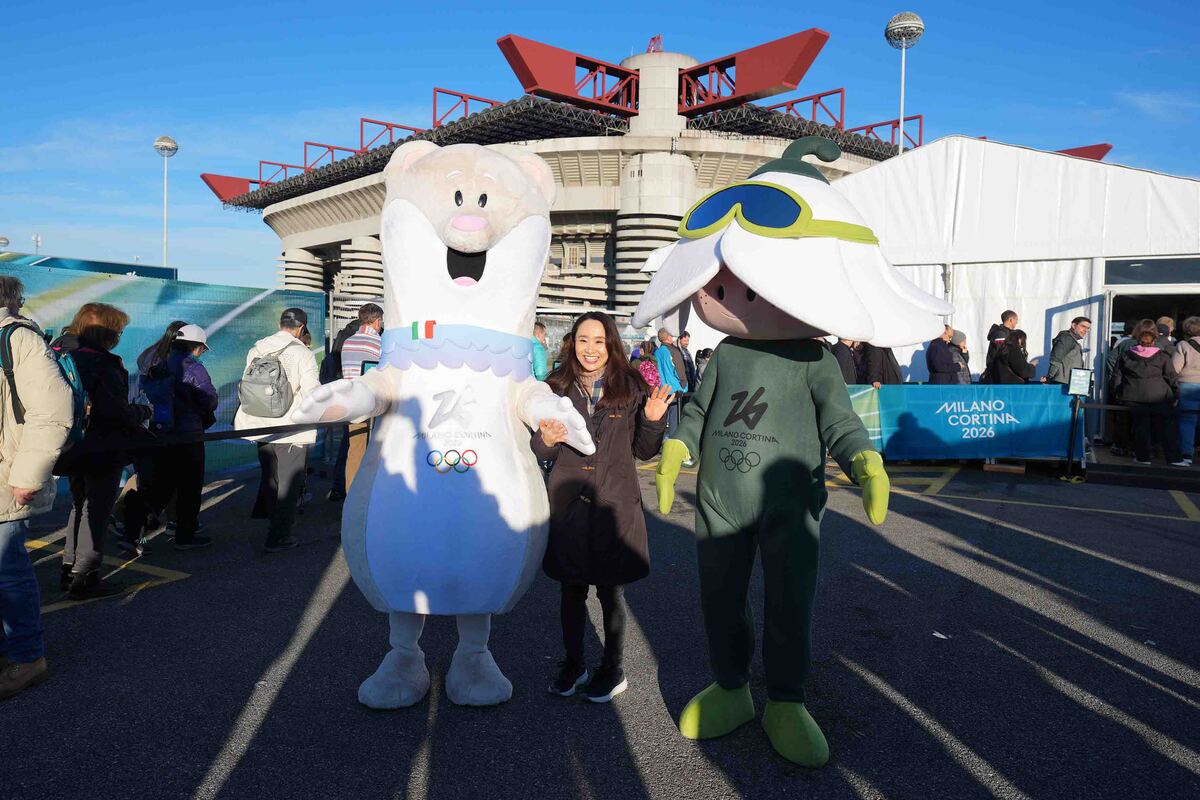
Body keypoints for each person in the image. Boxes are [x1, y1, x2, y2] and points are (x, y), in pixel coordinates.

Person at [533, 312, 670, 702]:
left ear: (611, 343)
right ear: (571, 343)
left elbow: (644, 450)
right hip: (570, 502)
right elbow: (542, 449)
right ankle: (573, 664)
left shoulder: (630, 387)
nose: (590, 349)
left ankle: (613, 668)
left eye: (598, 341)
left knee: (611, 591)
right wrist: (545, 439)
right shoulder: (554, 386)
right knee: (571, 589)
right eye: (582, 340)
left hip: (614, 503)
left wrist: (653, 421)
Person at [0, 276, 73, 701]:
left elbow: (52, 410)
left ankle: (28, 659)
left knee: (8, 572)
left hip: (8, 475)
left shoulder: (17, 338)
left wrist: (28, 476)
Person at [56, 303, 152, 599]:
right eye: (118, 330)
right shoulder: (103, 363)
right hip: (102, 445)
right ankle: (84, 577)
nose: (120, 336)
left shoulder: (59, 352)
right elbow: (114, 411)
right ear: (107, 332)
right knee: (96, 510)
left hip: (68, 443)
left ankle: (69, 567)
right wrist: (142, 412)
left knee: (79, 504)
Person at [235, 308, 320, 553]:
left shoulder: (257, 349)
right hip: (291, 427)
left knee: (271, 478)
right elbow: (312, 391)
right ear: (301, 328)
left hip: (259, 424)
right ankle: (279, 535)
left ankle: (274, 521)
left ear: (279, 323)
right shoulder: (302, 353)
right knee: (290, 483)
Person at [143, 324, 218, 550]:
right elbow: (209, 399)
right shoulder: (193, 368)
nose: (202, 353)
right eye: (202, 348)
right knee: (190, 487)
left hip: (162, 431)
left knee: (161, 486)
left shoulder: (160, 361)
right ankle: (185, 534)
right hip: (188, 434)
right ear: (195, 346)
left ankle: (134, 531)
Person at [1113, 319, 1183, 466]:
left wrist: (1118, 393)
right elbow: (1171, 377)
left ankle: (1143, 457)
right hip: (1159, 395)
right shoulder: (1162, 356)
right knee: (1166, 428)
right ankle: (1174, 458)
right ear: (1154, 339)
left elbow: (1117, 376)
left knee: (1140, 429)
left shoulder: (1126, 355)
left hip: (1134, 395)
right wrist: (1176, 394)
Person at [338, 303, 384, 492]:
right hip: (375, 403)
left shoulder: (348, 342)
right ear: (376, 321)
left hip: (351, 402)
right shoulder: (379, 344)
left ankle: (351, 494)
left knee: (355, 451)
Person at [1172, 316, 1200, 466]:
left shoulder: (1183, 345)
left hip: (1187, 386)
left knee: (1187, 422)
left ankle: (1186, 456)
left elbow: (1175, 369)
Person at [654, 329, 686, 438]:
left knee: (662, 419)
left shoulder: (657, 352)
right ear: (668, 337)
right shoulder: (673, 351)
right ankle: (672, 443)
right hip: (675, 389)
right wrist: (684, 385)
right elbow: (679, 370)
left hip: (662, 389)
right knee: (674, 420)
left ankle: (661, 441)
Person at [1047, 317, 1091, 384]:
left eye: (1088, 328)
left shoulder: (1071, 339)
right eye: (1083, 326)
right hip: (1063, 384)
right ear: (1073, 325)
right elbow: (1056, 359)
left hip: (1070, 383)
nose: (1086, 330)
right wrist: (1049, 377)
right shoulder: (1066, 338)